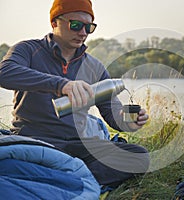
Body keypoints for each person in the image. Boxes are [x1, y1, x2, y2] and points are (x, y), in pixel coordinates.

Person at [0, 0, 149, 190]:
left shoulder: (94, 66)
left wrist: (127, 121)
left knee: (138, 155)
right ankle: (74, 180)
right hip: (36, 141)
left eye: (89, 27)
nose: (83, 33)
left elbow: (112, 112)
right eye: (76, 25)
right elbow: (5, 73)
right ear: (55, 22)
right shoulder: (27, 50)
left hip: (80, 145)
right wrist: (61, 84)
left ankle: (59, 180)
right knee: (11, 164)